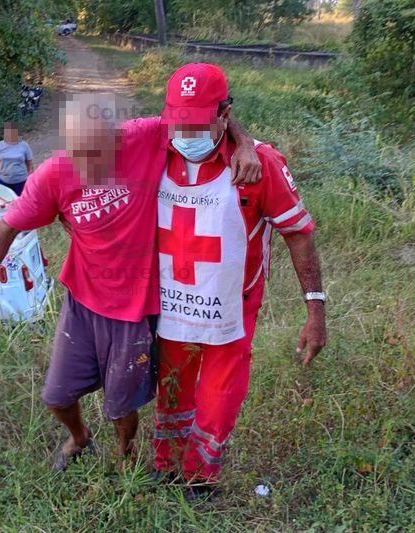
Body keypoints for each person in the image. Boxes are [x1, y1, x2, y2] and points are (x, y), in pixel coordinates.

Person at [0, 93, 262, 471]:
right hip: (83, 302)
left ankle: (125, 452)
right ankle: (80, 438)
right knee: (57, 396)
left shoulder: (144, 137)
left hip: (136, 310)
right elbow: (6, 228)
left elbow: (207, 113)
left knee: (121, 406)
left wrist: (245, 144)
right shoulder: (54, 174)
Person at [151, 63, 327, 499]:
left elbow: (298, 236)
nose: (185, 131)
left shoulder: (260, 164)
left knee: (218, 397)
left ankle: (199, 476)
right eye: (179, 120)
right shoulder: (154, 147)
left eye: (199, 122)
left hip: (232, 309)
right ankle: (167, 464)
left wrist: (315, 309)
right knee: (171, 392)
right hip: (172, 304)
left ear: (224, 114)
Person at [0, 122, 33, 195]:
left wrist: (31, 179)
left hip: (21, 182)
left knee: (20, 203)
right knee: (4, 203)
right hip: (3, 181)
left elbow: (30, 164)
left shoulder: (24, 145)